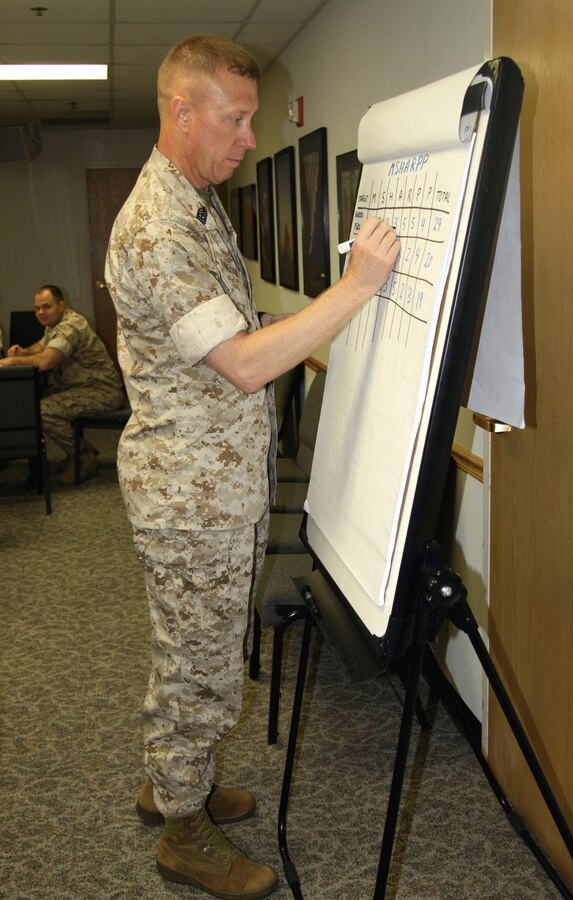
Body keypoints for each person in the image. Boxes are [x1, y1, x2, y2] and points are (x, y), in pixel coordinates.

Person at [105, 33, 399, 899]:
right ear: (181, 110)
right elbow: (239, 365)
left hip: (211, 485)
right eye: (233, 120)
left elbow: (218, 344)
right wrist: (355, 287)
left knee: (194, 649)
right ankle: (182, 833)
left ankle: (174, 786)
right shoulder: (160, 225)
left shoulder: (195, 201)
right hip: (190, 497)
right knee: (197, 666)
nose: (247, 139)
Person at [0, 285, 124, 484]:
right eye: (37, 308)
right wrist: (24, 352)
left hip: (102, 391)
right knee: (33, 404)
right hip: (80, 388)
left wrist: (13, 361)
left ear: (61, 305)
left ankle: (83, 456)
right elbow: (42, 346)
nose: (41, 312)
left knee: (44, 411)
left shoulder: (70, 326)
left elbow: (46, 361)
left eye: (46, 306)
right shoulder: (55, 324)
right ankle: (78, 450)